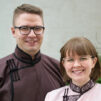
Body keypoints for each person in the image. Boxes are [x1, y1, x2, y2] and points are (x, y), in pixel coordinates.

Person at [0, 4, 64, 101]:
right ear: (13, 31)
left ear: (43, 31)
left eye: (37, 28)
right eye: (24, 28)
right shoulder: (1, 70)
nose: (32, 35)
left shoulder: (58, 68)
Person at [45, 37, 101, 101]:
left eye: (83, 58)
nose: (76, 65)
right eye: (70, 60)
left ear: (93, 62)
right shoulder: (52, 97)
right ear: (64, 64)